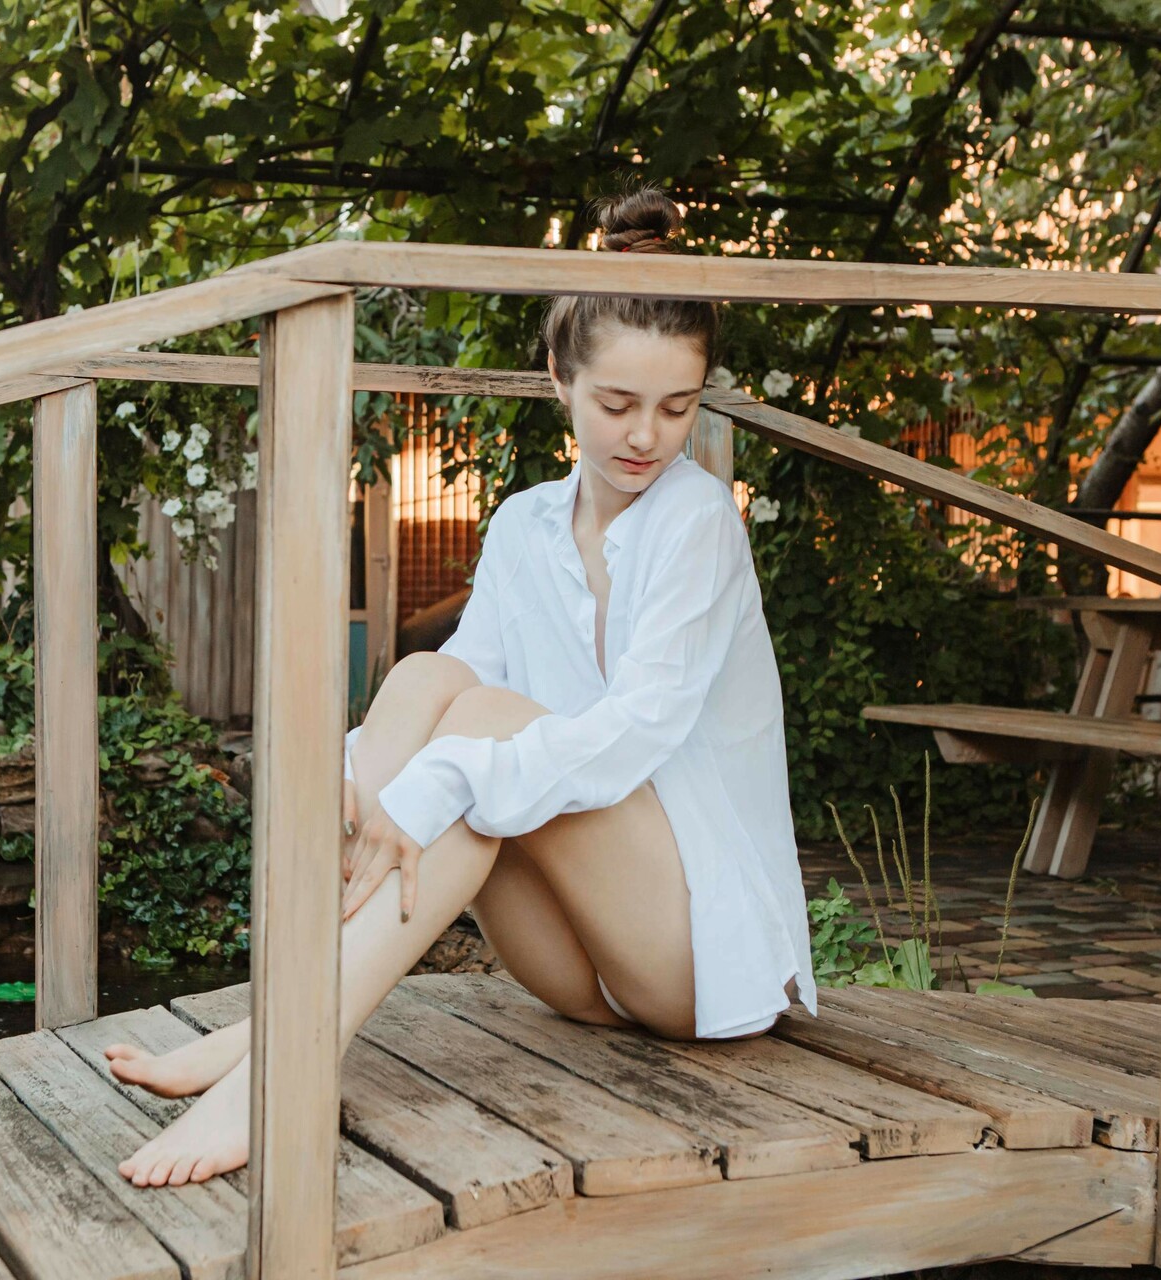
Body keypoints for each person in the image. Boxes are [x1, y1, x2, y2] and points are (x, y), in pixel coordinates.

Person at [105, 185, 817, 1188]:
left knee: (479, 734)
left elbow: (636, 730)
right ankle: (280, 1024)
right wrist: (359, 778)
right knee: (430, 675)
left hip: (700, 962)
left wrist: (438, 782)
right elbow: (460, 676)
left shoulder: (697, 519)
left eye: (677, 406)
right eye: (617, 404)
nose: (647, 436)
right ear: (561, 377)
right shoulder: (527, 522)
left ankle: (283, 1060)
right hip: (583, 973)